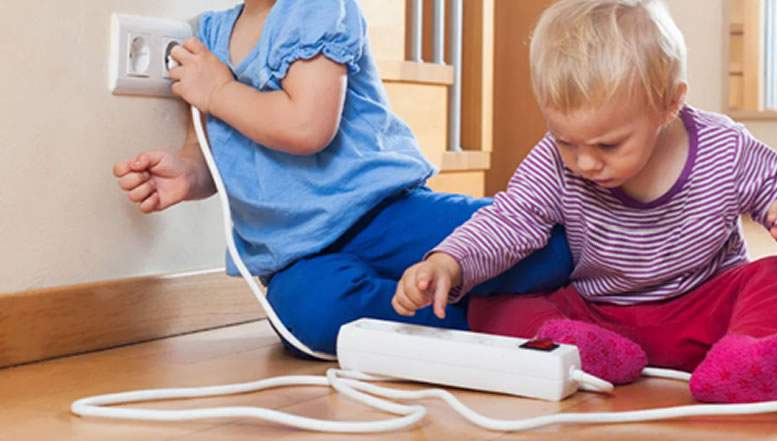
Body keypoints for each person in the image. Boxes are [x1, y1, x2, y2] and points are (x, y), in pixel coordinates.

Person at [392, 0, 777, 403]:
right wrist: (450, 261)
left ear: (669, 103)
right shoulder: (553, 161)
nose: (585, 162)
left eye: (608, 145)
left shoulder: (724, 148)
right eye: (567, 141)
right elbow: (511, 218)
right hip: (599, 319)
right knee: (490, 303)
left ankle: (747, 361)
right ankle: (574, 349)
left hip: (704, 313)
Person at [112, 0, 572, 357]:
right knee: (307, 318)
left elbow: (307, 127)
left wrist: (219, 90)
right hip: (300, 255)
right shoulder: (208, 37)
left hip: (384, 213)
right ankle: (498, 319)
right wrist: (189, 173)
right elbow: (214, 148)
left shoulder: (315, 9)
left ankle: (558, 299)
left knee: (552, 246)